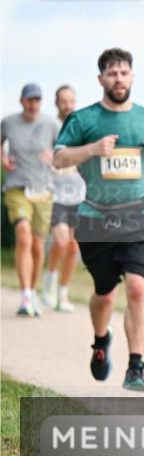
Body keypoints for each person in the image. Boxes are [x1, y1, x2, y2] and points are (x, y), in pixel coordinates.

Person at [53, 48, 144, 392]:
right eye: (112, 73)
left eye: (123, 73)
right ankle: (101, 339)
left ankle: (136, 366)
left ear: (131, 76)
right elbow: (59, 158)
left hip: (140, 214)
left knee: (137, 287)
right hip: (95, 218)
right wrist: (91, 149)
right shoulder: (84, 119)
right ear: (101, 79)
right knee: (105, 295)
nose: (118, 79)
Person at [2, 83, 59, 317]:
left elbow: (64, 149)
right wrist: (2, 158)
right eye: (29, 100)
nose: (33, 104)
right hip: (16, 186)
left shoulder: (50, 124)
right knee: (23, 235)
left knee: (37, 244)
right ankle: (26, 295)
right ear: (22, 101)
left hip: (43, 189)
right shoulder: (8, 122)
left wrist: (54, 155)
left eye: (37, 100)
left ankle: (33, 291)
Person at [41, 85, 86, 312]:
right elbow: (42, 155)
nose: (67, 105)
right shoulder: (50, 128)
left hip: (79, 195)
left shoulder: (81, 127)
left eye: (71, 101)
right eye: (63, 101)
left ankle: (63, 294)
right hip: (56, 194)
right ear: (56, 103)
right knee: (61, 241)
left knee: (74, 248)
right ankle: (49, 279)